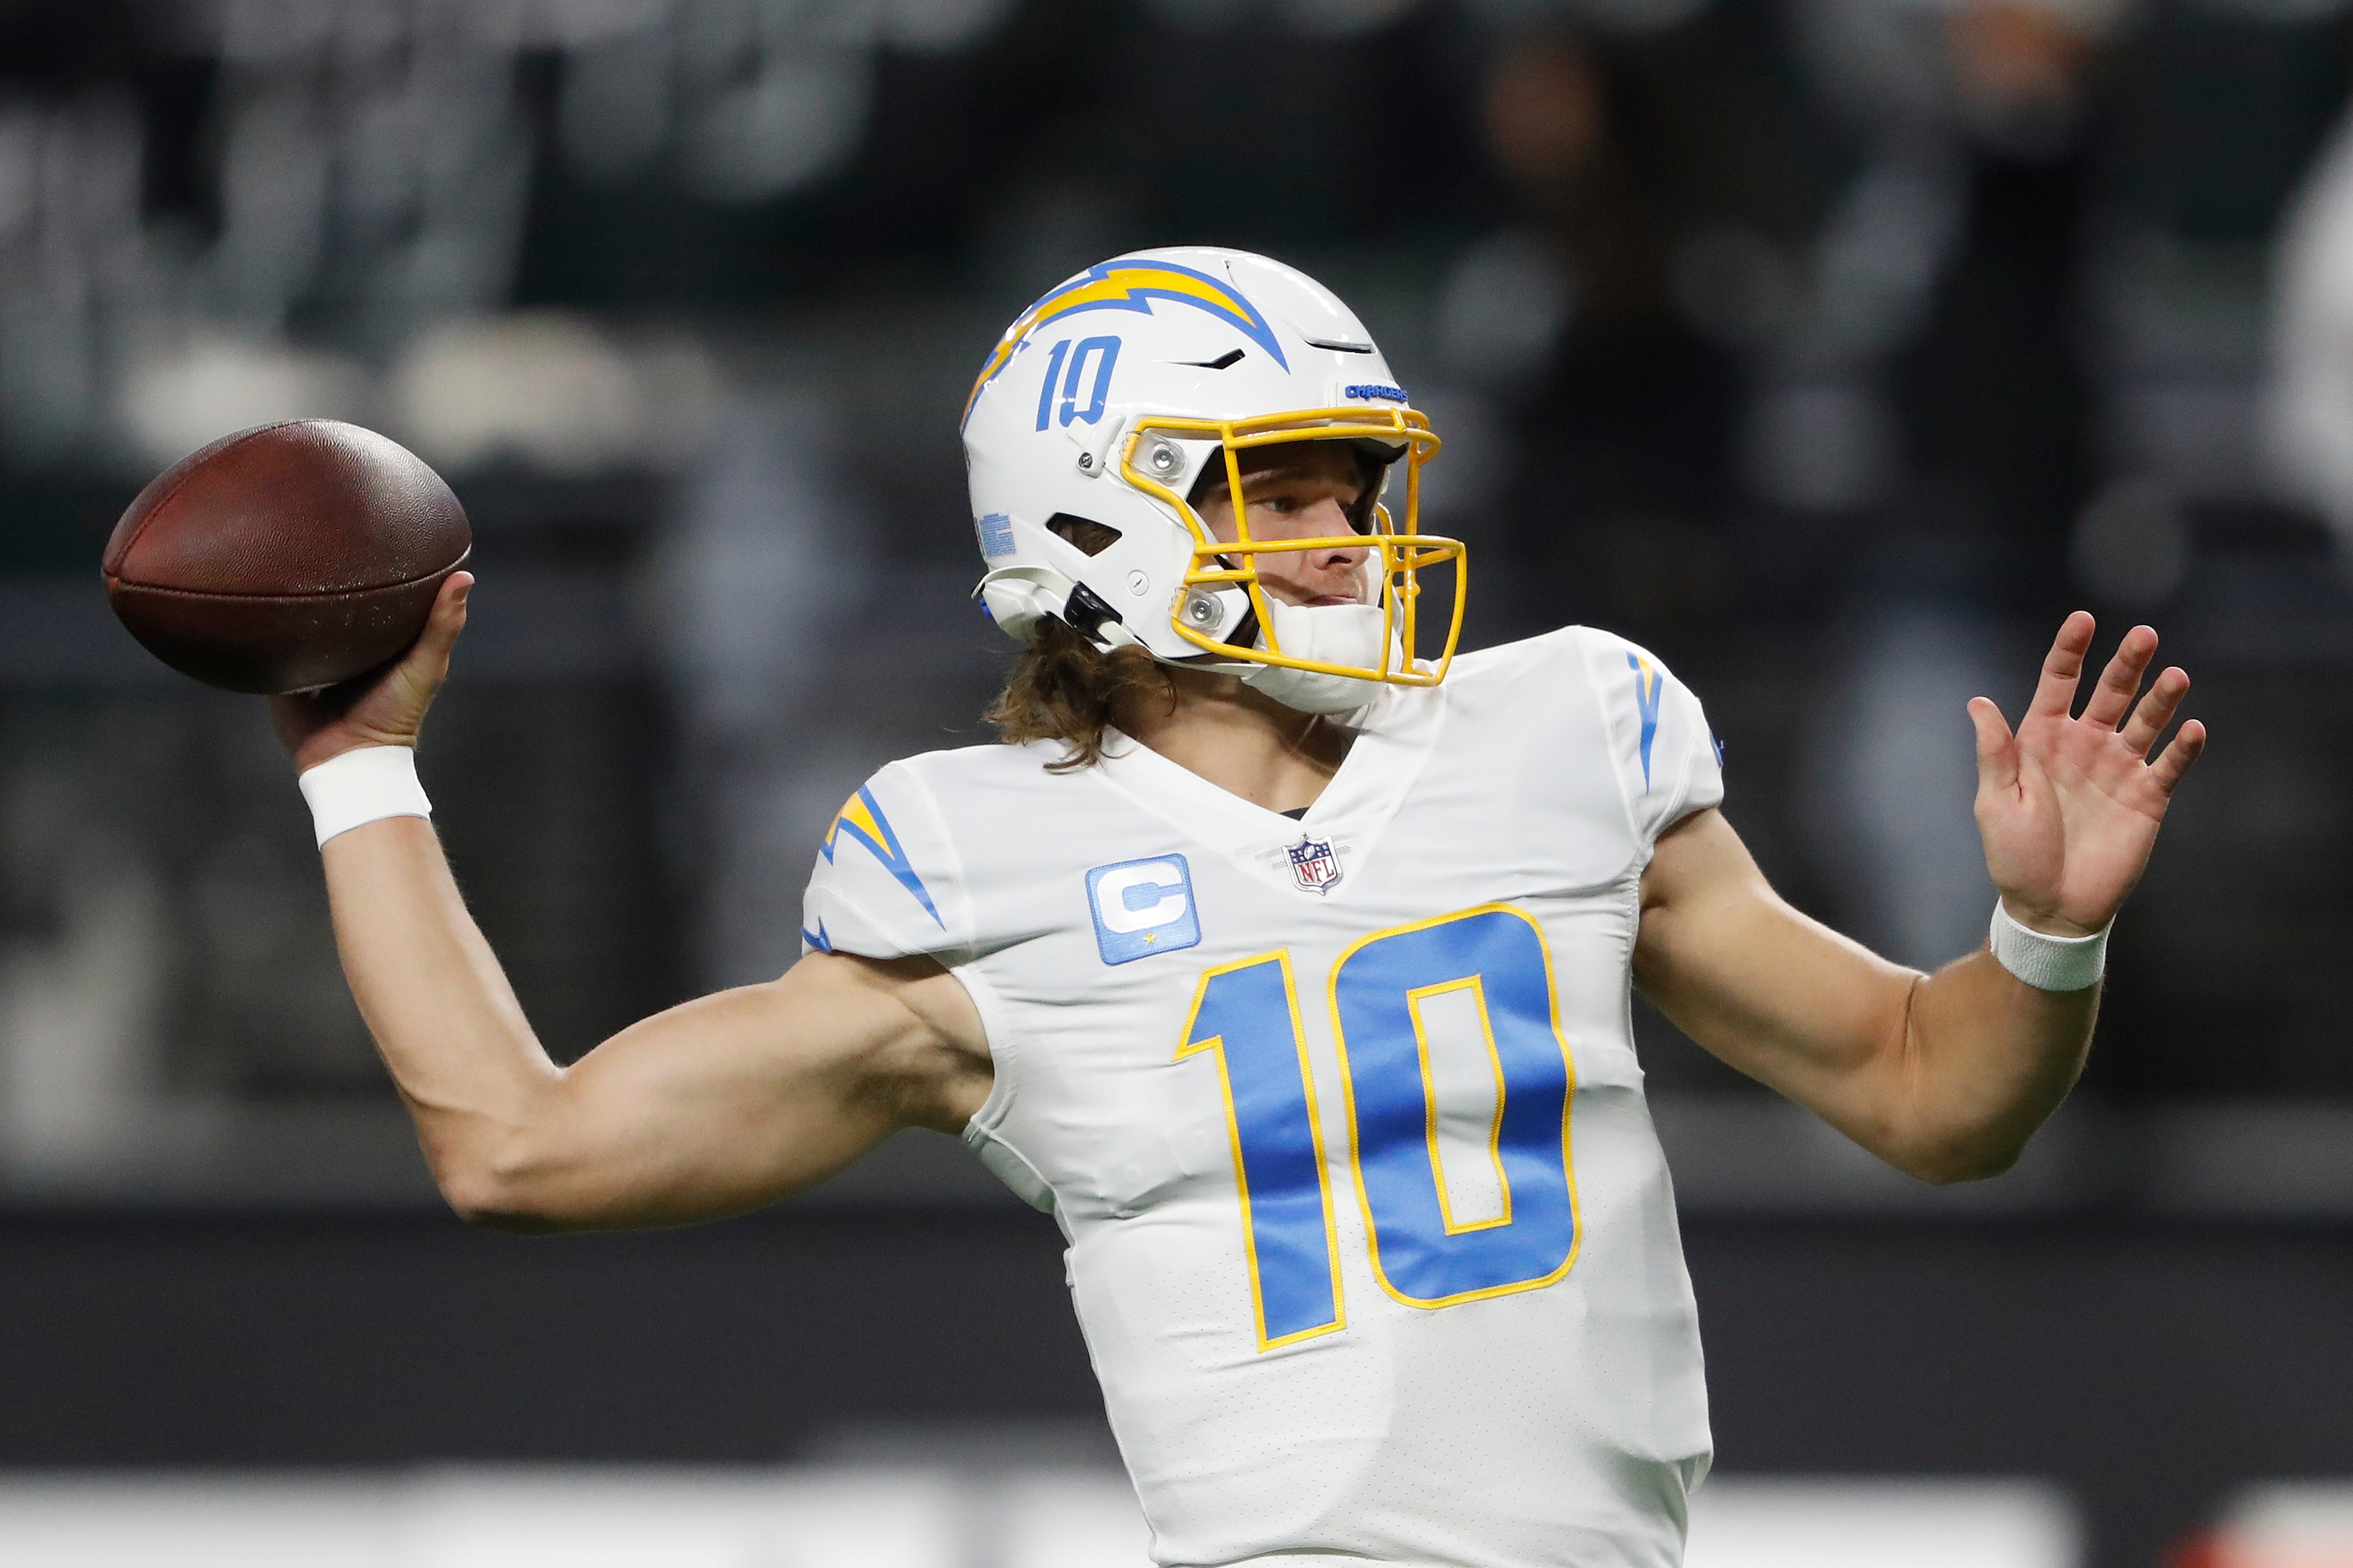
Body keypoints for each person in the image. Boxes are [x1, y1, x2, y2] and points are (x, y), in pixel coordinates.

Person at [274, 248, 2205, 1567]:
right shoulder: (978, 872)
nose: (1351, 534)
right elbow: (516, 1144)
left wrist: (2039, 936)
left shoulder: (1557, 734)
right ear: (1098, 516)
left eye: (1359, 485)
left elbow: (1935, 1097)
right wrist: (358, 761)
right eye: (1284, 488)